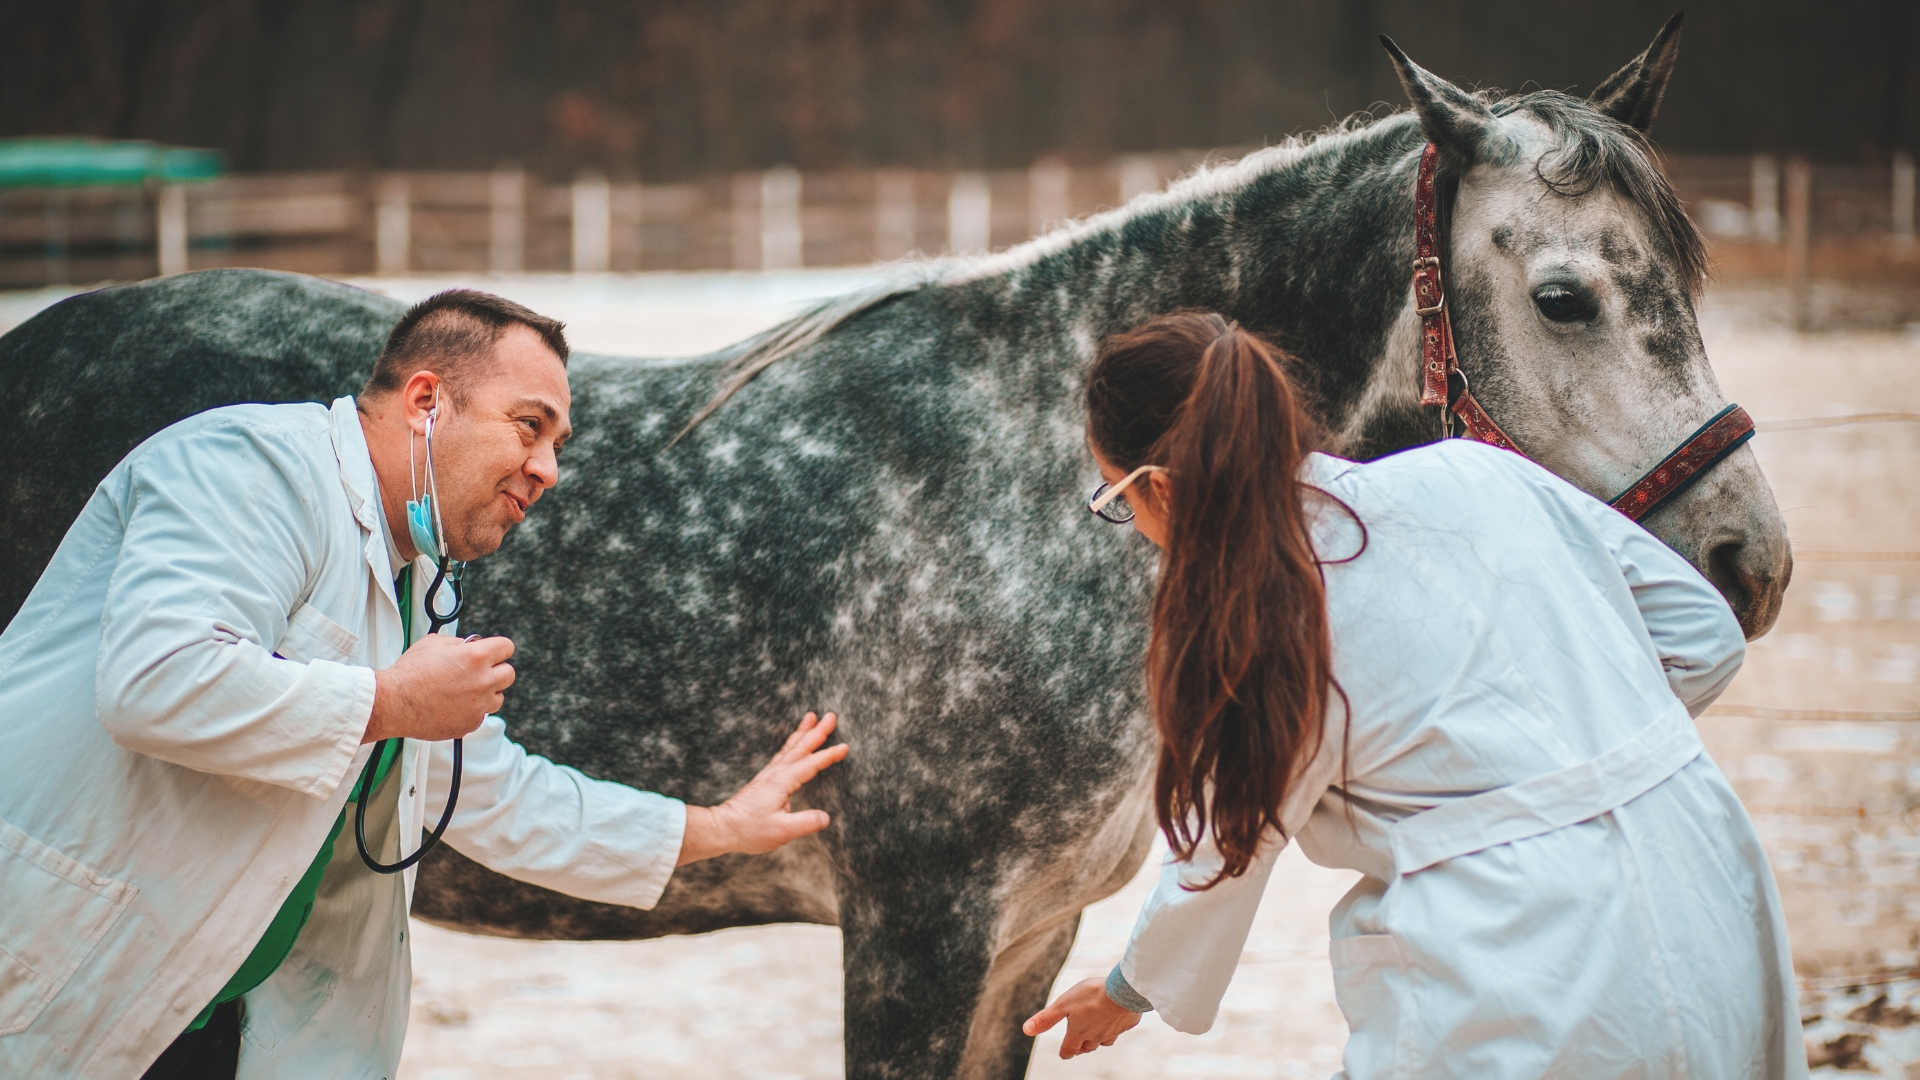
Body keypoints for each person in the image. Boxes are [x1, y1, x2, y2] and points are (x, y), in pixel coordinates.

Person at [0, 290, 848, 1079]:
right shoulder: (249, 465)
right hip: (69, 975)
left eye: (558, 444)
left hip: (216, 1016)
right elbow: (158, 682)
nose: (548, 468)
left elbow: (487, 792)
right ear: (426, 402)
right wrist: (393, 702)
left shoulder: (417, 581)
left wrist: (718, 828)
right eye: (529, 426)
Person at [1022, 312, 1803, 1079]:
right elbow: (1703, 632)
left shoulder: (1267, 614)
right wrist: (1588, 741)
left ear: (1158, 487)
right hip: (1707, 889)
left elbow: (1227, 849)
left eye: (1118, 504)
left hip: (1522, 960)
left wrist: (1126, 993)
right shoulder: (1472, 470)